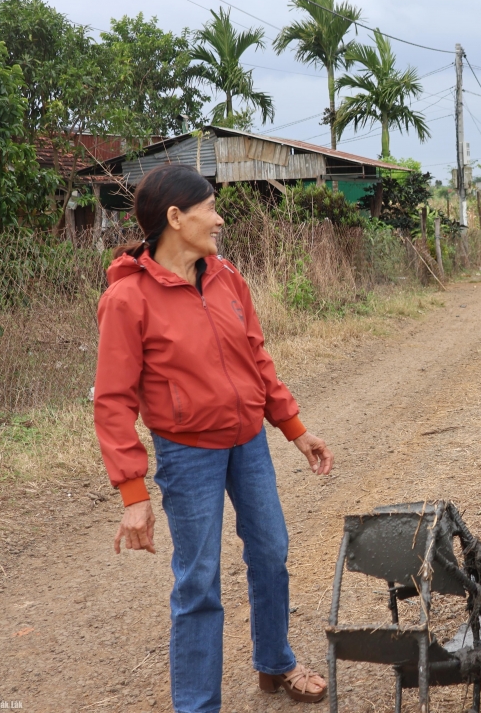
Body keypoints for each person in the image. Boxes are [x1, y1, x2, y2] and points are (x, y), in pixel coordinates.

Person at [94, 164, 334, 712]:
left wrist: (295, 429)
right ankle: (197, 705)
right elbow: (112, 401)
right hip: (187, 453)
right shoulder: (128, 299)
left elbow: (257, 359)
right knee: (198, 581)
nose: (219, 218)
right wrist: (134, 496)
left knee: (271, 552)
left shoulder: (226, 277)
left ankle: (275, 664)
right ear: (175, 218)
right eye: (210, 207)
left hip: (248, 442)